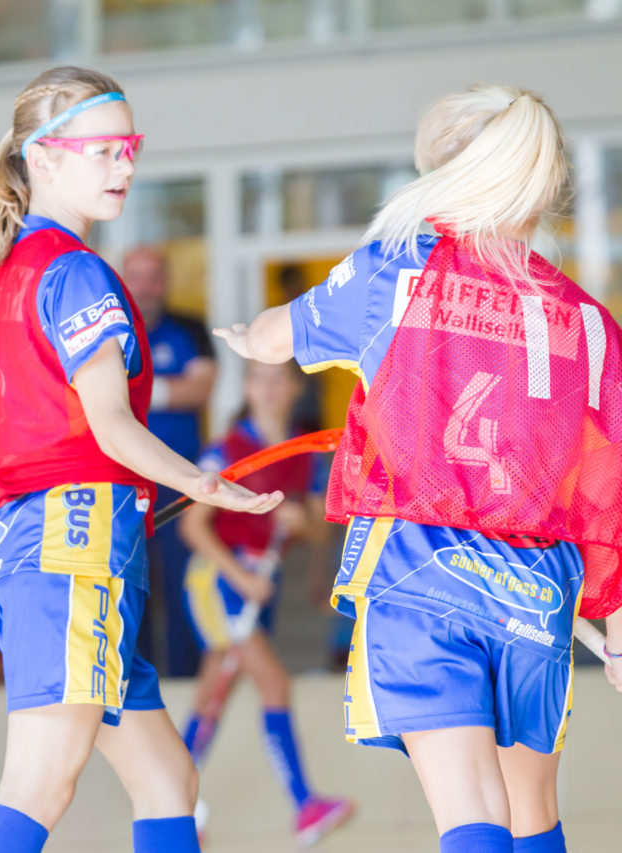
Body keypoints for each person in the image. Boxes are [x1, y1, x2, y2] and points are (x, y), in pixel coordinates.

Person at [214, 84, 622, 853]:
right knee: (533, 812)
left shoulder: (394, 271)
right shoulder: (589, 325)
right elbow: (607, 495)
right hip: (536, 590)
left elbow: (279, 338)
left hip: (421, 571)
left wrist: (247, 334)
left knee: (471, 812)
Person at [0, 65, 282, 853]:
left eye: (129, 148)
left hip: (35, 546)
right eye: (104, 150)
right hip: (76, 545)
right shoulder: (75, 272)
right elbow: (110, 426)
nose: (125, 166)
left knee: (168, 778)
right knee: (37, 782)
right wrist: (208, 485)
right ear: (44, 157)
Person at [178, 360, 354, 845]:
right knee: (273, 680)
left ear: (296, 386)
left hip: (258, 584)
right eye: (259, 377)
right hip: (219, 582)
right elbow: (192, 527)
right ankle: (304, 805)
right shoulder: (226, 450)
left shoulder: (308, 451)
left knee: (214, 694)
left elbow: (321, 526)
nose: (270, 387)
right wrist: (240, 577)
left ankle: (173, 800)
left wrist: (303, 523)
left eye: (280, 377)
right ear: (248, 386)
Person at [121, 245, 216, 676]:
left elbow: (199, 391)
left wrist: (130, 391)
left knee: (181, 582)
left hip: (181, 481)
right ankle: (133, 681)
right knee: (129, 585)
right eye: (136, 276)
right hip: (122, 482)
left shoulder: (189, 330)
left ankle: (183, 678)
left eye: (154, 276)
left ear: (166, 281)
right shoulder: (109, 329)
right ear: (123, 280)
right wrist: (166, 390)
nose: (146, 286)